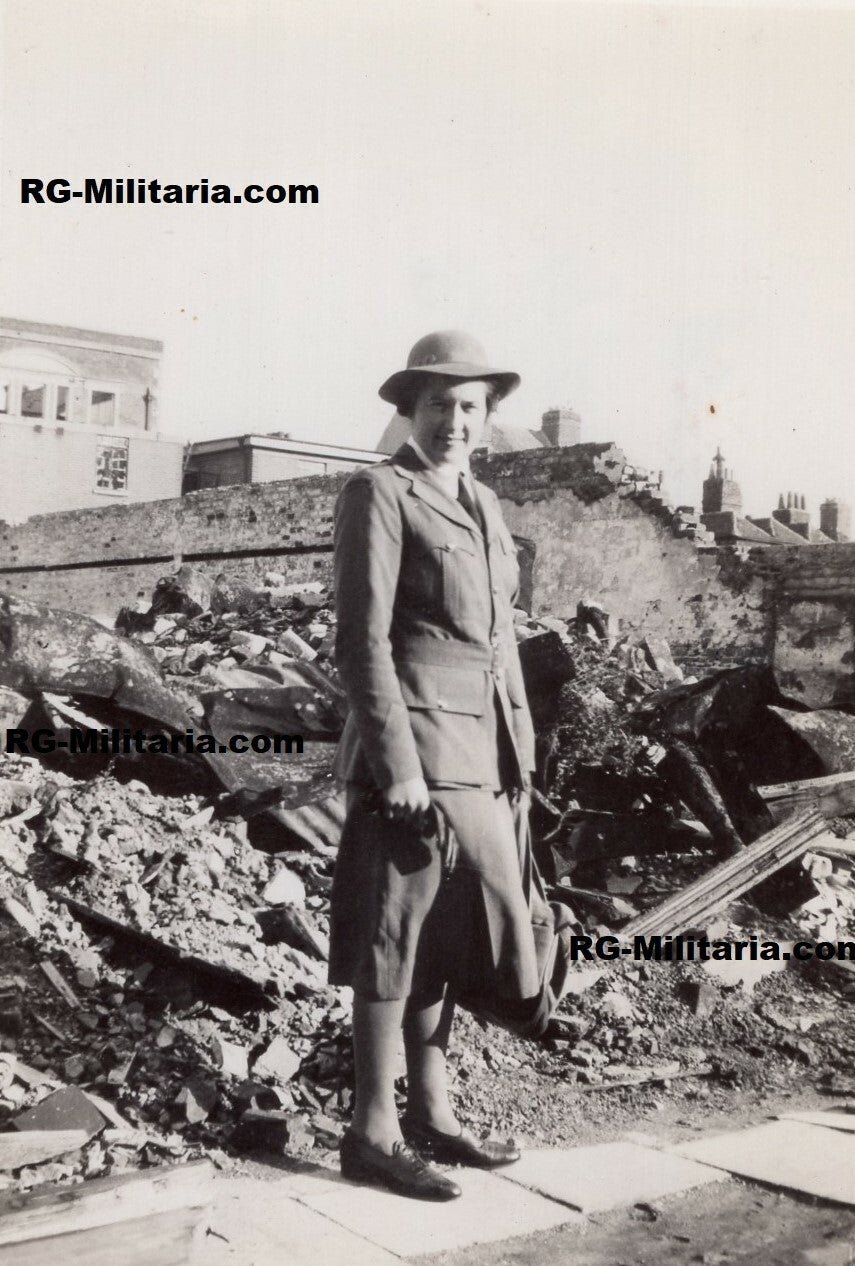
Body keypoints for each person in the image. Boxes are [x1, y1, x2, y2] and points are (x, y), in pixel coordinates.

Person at [329, 330, 539, 1201]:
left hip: (484, 749)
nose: (453, 420)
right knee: (392, 931)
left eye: (469, 407)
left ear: (485, 418)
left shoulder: (486, 506)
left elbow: (498, 644)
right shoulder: (379, 492)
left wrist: (517, 750)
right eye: (437, 405)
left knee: (452, 936)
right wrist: (397, 765)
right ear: (408, 412)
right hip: (413, 753)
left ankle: (433, 1115)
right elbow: (361, 640)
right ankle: (372, 1130)